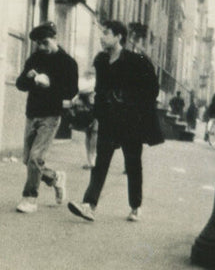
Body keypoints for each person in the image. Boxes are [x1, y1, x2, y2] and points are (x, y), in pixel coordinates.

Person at [67, 19, 163, 223]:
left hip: (131, 122)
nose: (102, 37)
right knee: (101, 163)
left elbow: (152, 89)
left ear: (119, 37)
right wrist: (99, 109)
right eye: (102, 32)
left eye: (107, 33)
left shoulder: (136, 61)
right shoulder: (101, 60)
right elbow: (100, 89)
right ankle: (89, 205)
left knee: (133, 163)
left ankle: (135, 206)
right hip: (109, 120)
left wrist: (131, 101)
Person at [13, 23, 79, 213]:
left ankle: (30, 198)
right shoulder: (35, 58)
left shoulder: (67, 62)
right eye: (38, 44)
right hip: (32, 113)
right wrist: (29, 76)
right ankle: (54, 178)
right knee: (28, 160)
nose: (42, 47)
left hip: (51, 115)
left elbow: (71, 91)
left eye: (45, 42)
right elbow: (20, 84)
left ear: (55, 38)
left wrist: (50, 84)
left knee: (35, 158)